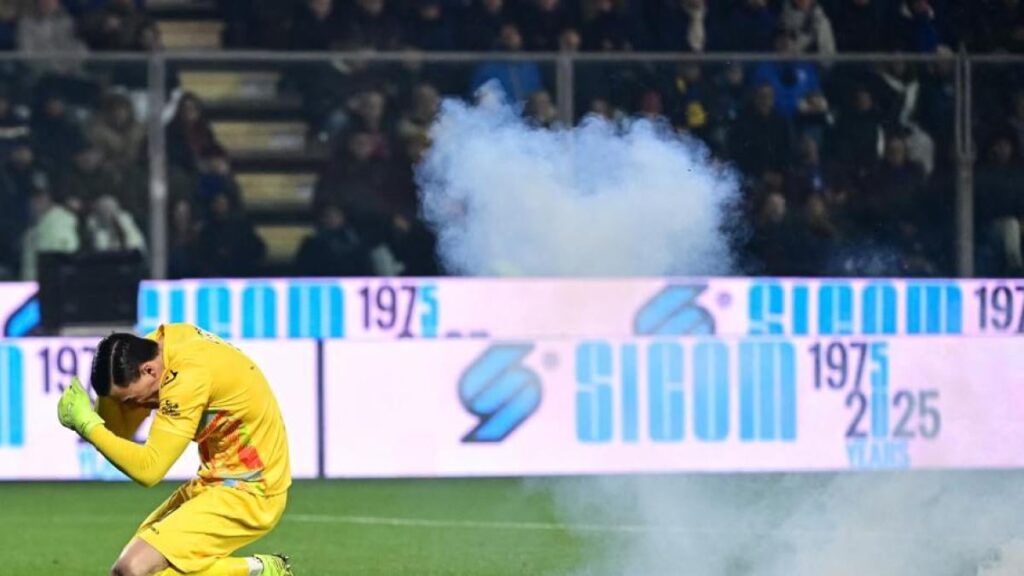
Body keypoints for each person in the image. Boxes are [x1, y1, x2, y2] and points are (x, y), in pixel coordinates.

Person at [56, 325, 293, 576]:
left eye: (131, 399)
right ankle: (259, 571)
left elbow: (149, 469)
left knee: (134, 569)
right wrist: (104, 401)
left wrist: (87, 425)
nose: (138, 406)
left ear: (148, 370)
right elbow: (118, 432)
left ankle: (258, 572)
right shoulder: (157, 349)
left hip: (252, 491)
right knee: (140, 570)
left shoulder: (188, 376)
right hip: (216, 482)